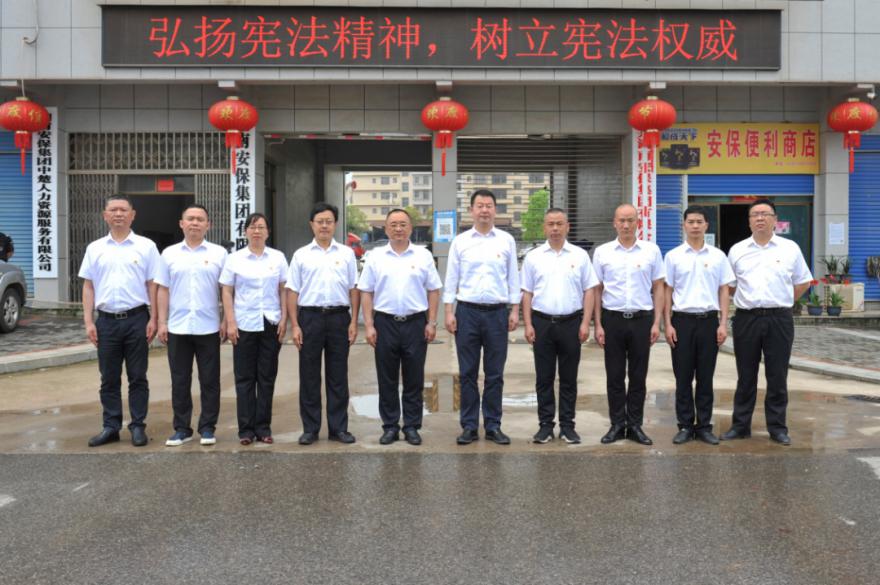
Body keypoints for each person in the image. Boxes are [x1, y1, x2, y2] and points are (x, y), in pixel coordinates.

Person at [723, 199, 812, 446]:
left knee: (777, 375)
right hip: (747, 319)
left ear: (775, 219)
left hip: (779, 319)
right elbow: (729, 286)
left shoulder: (790, 248)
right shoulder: (737, 250)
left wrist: (784, 300)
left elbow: (803, 282)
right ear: (749, 221)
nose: (760, 218)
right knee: (745, 375)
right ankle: (740, 426)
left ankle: (777, 428)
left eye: (765, 214)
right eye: (755, 215)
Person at [79, 195, 161, 447]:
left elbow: (153, 284)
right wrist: (88, 322)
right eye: (113, 210)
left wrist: (154, 318)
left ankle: (137, 425)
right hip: (106, 322)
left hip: (137, 319)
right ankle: (111, 426)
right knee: (109, 378)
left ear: (132, 215)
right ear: (105, 215)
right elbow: (88, 286)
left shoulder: (146, 246)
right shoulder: (95, 248)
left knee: (138, 376)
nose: (118, 214)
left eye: (123, 210)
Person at [359, 209, 442, 446]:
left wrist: (431, 322)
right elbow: (366, 291)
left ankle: (412, 426)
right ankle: (390, 426)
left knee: (414, 378)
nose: (398, 229)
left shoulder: (423, 255)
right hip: (385, 323)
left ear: (410, 228)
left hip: (415, 323)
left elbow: (433, 290)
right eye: (393, 224)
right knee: (387, 378)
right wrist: (369, 325)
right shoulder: (376, 257)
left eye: (403, 224)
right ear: (386, 229)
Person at [444, 189, 520, 445]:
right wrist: (449, 311)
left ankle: (493, 425)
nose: (484, 210)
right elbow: (451, 277)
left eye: (489, 205)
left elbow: (513, 277)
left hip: (497, 314)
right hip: (467, 313)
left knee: (494, 374)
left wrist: (515, 309)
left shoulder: (506, 241)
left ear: (495, 210)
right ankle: (468, 426)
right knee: (467, 373)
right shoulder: (461, 241)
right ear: (471, 210)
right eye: (480, 205)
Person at [521, 208, 598, 444]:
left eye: (559, 224)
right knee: (544, 378)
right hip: (542, 323)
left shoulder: (580, 256)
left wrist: (586, 322)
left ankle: (567, 426)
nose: (555, 228)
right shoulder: (534, 257)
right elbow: (527, 293)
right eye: (551, 224)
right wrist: (528, 324)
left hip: (571, 323)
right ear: (544, 227)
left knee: (569, 378)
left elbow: (590, 290)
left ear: (567, 227)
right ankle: (545, 426)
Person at [593, 203, 665, 446]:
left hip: (642, 320)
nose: (626, 225)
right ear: (614, 223)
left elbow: (658, 287)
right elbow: (596, 289)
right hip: (612, 319)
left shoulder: (651, 251)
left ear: (638, 223)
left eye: (630, 220)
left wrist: (656, 323)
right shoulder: (603, 252)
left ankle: (635, 424)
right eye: (621, 220)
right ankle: (616, 424)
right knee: (614, 375)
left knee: (638, 376)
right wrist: (597, 324)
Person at [287, 202, 359, 445]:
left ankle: (339, 428)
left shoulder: (346, 254)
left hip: (339, 318)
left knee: (338, 376)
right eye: (320, 222)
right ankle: (310, 429)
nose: (324, 226)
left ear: (335, 224)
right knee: (309, 376)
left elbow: (354, 288)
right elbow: (292, 291)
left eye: (329, 221)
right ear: (312, 225)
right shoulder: (301, 255)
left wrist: (354, 321)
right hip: (310, 318)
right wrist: (295, 325)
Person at [155, 204, 227, 447]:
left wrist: (227, 319)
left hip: (209, 327)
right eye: (190, 219)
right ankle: (182, 428)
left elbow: (226, 290)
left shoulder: (219, 254)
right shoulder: (169, 254)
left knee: (210, 381)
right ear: (181, 223)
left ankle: (207, 428)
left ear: (208, 225)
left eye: (200, 219)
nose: (195, 223)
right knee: (180, 380)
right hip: (178, 327)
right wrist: (161, 322)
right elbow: (162, 289)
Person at [663, 206, 735, 446]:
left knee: (705, 378)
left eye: (699, 221)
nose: (695, 226)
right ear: (684, 225)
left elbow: (724, 290)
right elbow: (667, 291)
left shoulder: (718, 256)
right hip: (681, 322)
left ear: (706, 225)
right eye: (690, 221)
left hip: (708, 322)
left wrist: (723, 323)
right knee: (683, 378)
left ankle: (704, 426)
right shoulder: (673, 256)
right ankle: (685, 426)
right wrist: (667, 324)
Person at [220, 213, 287, 446]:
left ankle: (263, 428)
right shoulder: (235, 259)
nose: (256, 231)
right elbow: (227, 291)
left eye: (261, 227)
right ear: (245, 231)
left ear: (268, 232)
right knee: (245, 378)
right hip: (244, 324)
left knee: (266, 377)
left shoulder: (278, 257)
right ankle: (246, 430)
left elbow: (284, 289)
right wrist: (230, 322)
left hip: (270, 322)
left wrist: (284, 319)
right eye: (252, 227)